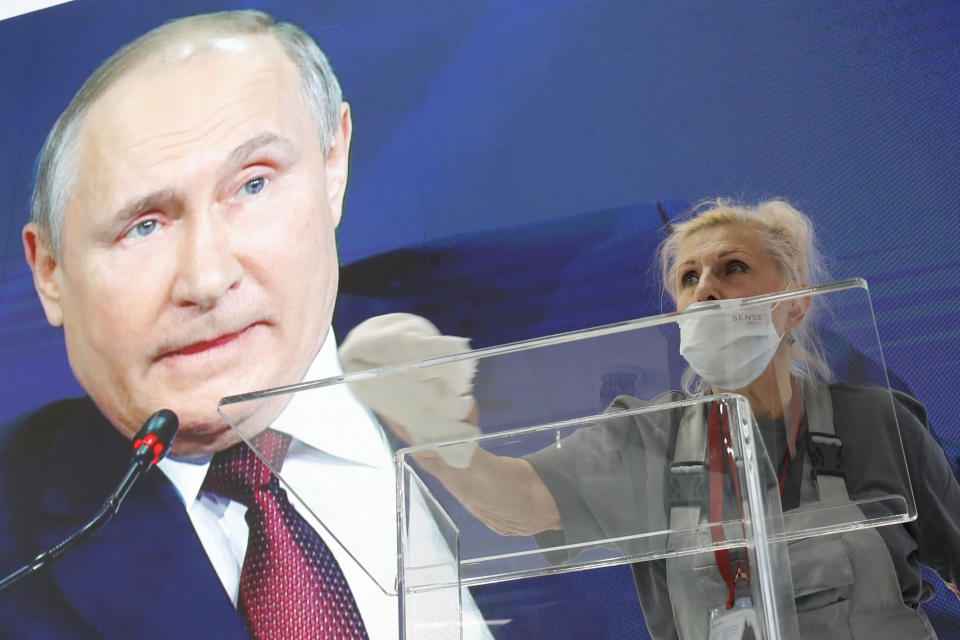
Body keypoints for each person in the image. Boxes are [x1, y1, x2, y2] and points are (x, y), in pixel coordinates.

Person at [0, 10, 490, 640]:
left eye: (253, 185)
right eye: (143, 225)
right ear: (50, 272)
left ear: (333, 161)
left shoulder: (586, 323)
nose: (206, 280)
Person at [343, 199, 960, 638]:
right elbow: (516, 504)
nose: (707, 290)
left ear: (795, 301)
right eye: (689, 279)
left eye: (733, 268)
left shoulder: (876, 422)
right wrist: (434, 436)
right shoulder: (647, 438)